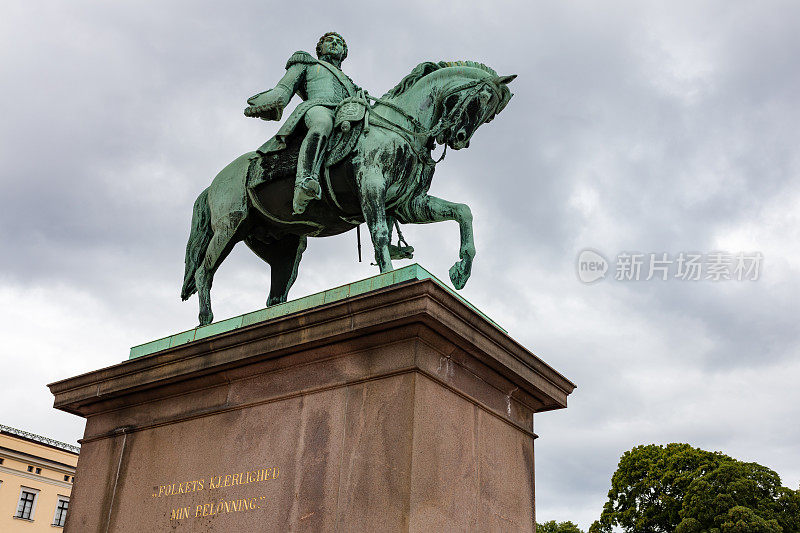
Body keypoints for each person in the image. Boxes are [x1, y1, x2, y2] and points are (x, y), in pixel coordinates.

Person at [245, 32, 358, 214]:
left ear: (344, 52)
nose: (335, 44)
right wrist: (268, 103)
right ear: (319, 48)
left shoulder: (351, 84)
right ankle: (305, 181)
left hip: (345, 116)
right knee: (322, 124)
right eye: (329, 41)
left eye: (339, 43)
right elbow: (283, 89)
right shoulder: (307, 63)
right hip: (318, 107)